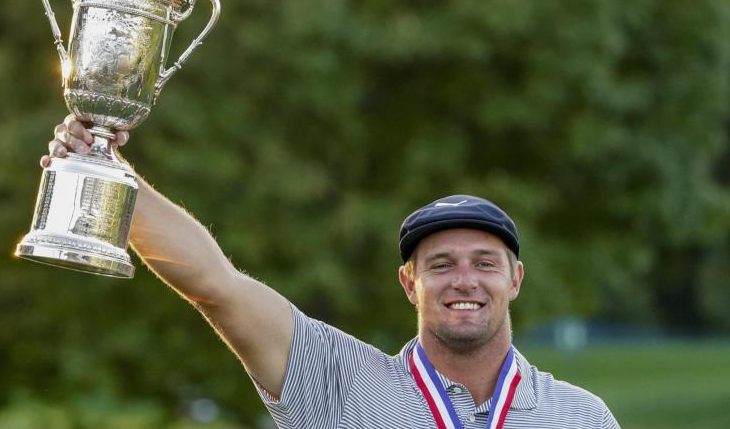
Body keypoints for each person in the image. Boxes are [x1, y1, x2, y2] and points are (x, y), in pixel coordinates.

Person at [44, 115, 621, 428]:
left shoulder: (578, 416)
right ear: (409, 283)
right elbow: (216, 286)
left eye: (485, 264)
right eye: (440, 265)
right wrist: (109, 176)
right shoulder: (339, 381)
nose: (464, 281)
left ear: (515, 279)